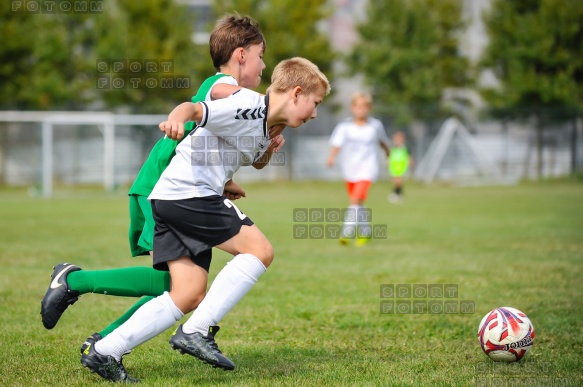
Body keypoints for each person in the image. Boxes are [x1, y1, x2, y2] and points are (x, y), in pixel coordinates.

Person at [39, 14, 281, 352]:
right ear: (241, 54)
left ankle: (101, 338)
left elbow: (206, 147)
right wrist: (275, 107)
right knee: (178, 287)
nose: (263, 64)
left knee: (185, 289)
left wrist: (228, 180)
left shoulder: (230, 96)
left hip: (170, 187)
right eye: (260, 54)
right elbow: (197, 113)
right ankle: (76, 286)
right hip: (161, 187)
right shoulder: (224, 87)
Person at [80, 57, 330, 382]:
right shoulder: (248, 104)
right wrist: (174, 120)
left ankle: (106, 351)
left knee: (188, 293)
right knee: (260, 250)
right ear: (296, 93)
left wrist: (268, 147)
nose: (315, 113)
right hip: (189, 194)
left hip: (174, 198)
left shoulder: (266, 123)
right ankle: (197, 331)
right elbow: (193, 110)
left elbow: (254, 161)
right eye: (315, 103)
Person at [326, 91, 390, 246]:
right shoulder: (345, 126)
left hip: (368, 168)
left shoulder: (375, 125)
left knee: (355, 199)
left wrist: (389, 154)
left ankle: (346, 233)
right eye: (358, 106)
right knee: (357, 202)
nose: (361, 109)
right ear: (352, 108)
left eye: (364, 106)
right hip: (350, 169)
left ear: (369, 108)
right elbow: (337, 144)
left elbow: (383, 142)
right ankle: (365, 232)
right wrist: (332, 157)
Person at [387, 131, 413, 204]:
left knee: (398, 180)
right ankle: (398, 193)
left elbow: (409, 156)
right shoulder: (392, 147)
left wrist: (410, 162)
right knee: (395, 181)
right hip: (394, 165)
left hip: (402, 166)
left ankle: (396, 193)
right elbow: (389, 155)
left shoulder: (405, 147)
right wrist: (388, 162)